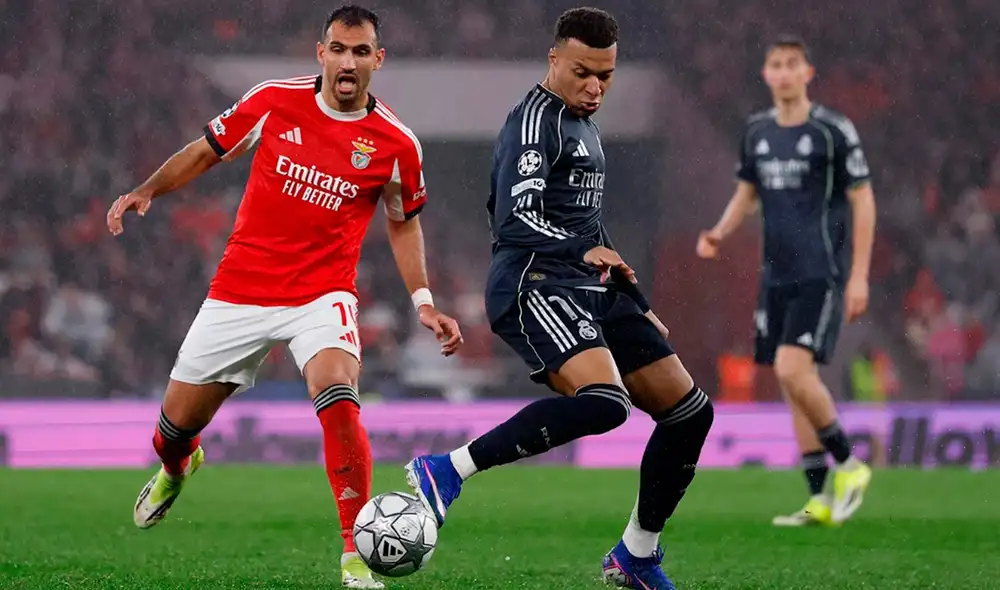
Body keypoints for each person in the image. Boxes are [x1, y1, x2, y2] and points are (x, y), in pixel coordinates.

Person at [108, 6, 462, 588]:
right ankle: (178, 465)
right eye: (338, 49)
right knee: (171, 431)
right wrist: (148, 189)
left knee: (338, 394)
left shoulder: (397, 143)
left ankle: (355, 554)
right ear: (321, 53)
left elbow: (403, 222)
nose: (348, 62)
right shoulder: (274, 100)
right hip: (239, 291)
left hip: (323, 294)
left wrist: (422, 299)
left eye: (361, 51)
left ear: (378, 60)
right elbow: (206, 149)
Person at [405, 8, 713, 590]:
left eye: (605, 76)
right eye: (582, 73)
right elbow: (516, 220)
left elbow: (587, 224)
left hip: (588, 285)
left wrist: (633, 294)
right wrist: (582, 250)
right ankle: (447, 469)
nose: (595, 87)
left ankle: (636, 554)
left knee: (690, 413)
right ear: (554, 59)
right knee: (606, 403)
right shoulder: (534, 123)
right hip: (533, 281)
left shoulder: (584, 125)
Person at [696, 36, 876, 526]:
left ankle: (850, 464)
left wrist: (859, 275)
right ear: (766, 74)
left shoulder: (831, 130)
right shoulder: (757, 131)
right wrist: (719, 231)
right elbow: (746, 193)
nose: (783, 72)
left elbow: (862, 198)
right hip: (775, 275)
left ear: (807, 72)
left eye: (792, 63)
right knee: (790, 380)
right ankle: (818, 498)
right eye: (775, 64)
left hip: (820, 272)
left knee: (793, 370)